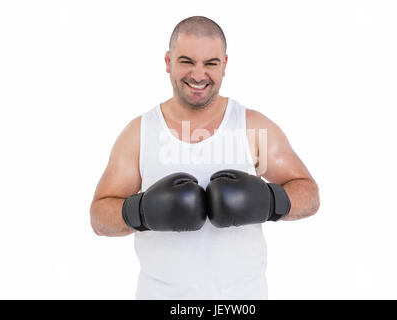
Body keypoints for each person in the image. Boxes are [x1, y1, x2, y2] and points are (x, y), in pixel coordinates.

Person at [90, 16, 320, 300]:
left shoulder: (252, 128)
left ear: (224, 65)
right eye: (186, 61)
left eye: (210, 63)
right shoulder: (140, 133)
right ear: (167, 62)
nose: (198, 75)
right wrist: (143, 211)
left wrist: (268, 201)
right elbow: (99, 218)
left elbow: (309, 194)